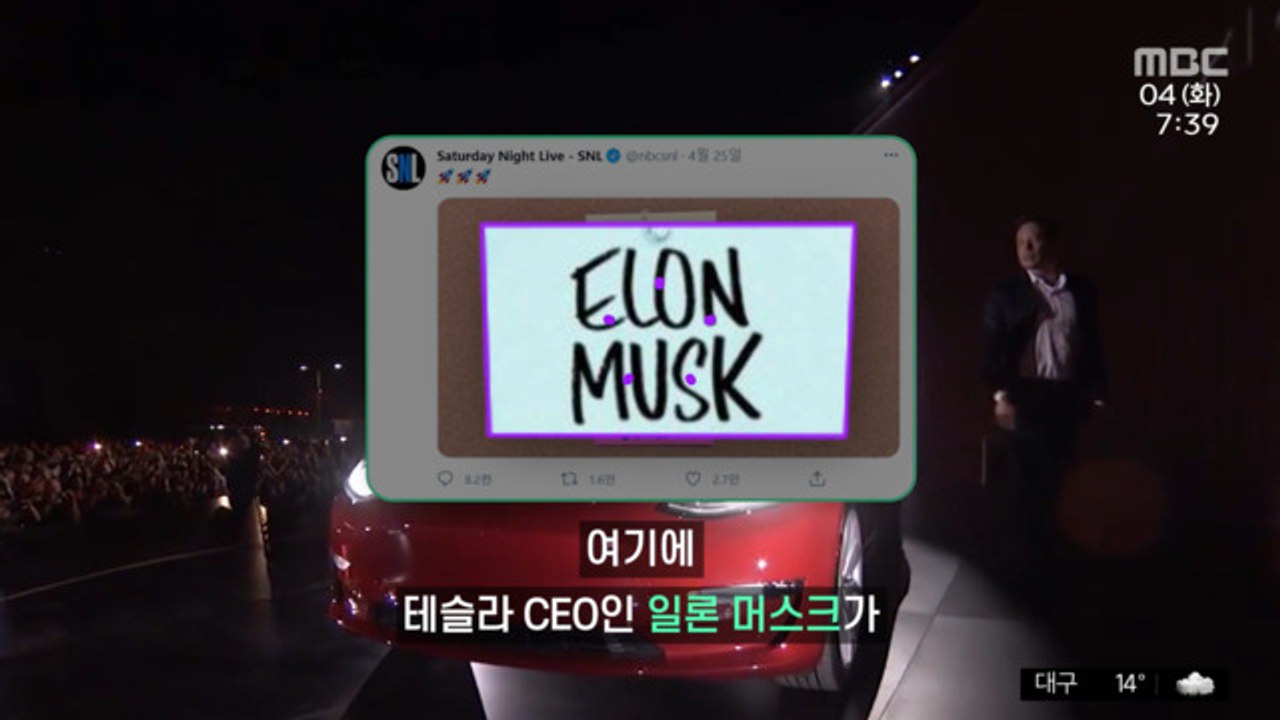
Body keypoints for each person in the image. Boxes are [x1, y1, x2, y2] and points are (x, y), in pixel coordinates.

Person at [980, 216, 1107, 579]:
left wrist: (1097, 393)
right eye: (1020, 242)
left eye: (1033, 240)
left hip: (1066, 396)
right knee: (1027, 480)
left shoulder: (1079, 291)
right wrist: (1001, 395)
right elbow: (991, 348)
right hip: (1025, 394)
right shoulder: (1007, 294)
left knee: (1063, 474)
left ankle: (1057, 559)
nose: (1026, 248)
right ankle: (1025, 562)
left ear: (1051, 243)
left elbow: (1092, 343)